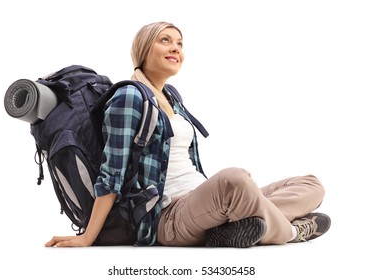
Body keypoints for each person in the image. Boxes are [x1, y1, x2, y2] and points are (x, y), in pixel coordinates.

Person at [45, 21, 331, 248]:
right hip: (167, 217)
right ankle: (294, 231)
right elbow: (112, 174)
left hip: (201, 200)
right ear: (144, 49)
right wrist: (87, 237)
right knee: (234, 180)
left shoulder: (171, 96)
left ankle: (230, 230)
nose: (176, 49)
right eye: (165, 40)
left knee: (310, 184)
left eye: (180, 43)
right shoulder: (128, 98)